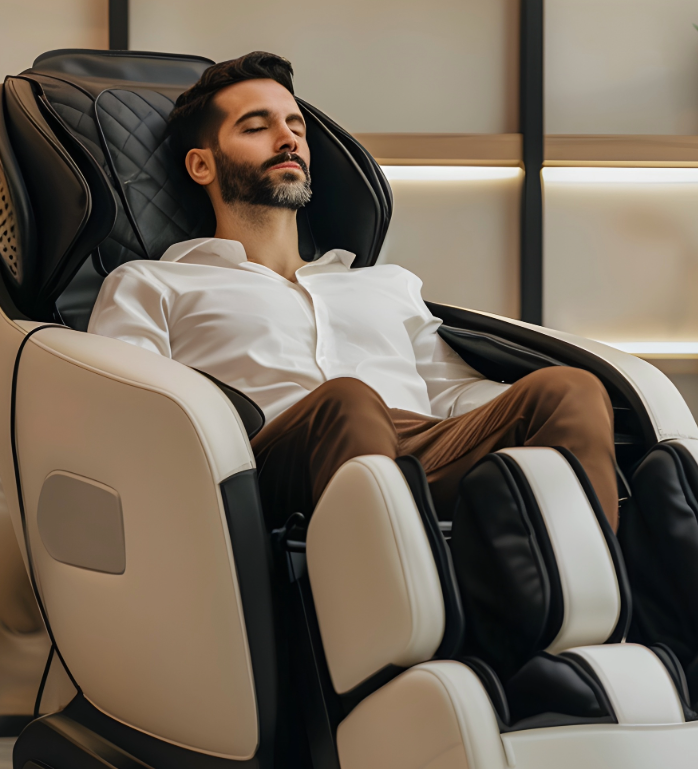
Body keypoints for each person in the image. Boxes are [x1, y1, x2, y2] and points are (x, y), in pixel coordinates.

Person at [88, 52, 620, 529]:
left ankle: (589, 612)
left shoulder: (385, 284)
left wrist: (518, 417)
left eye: (295, 124)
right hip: (265, 466)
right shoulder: (152, 282)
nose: (288, 138)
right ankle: (391, 626)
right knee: (348, 401)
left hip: (417, 451)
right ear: (201, 164)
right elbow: (135, 420)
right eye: (256, 127)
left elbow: (449, 394)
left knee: (568, 391)